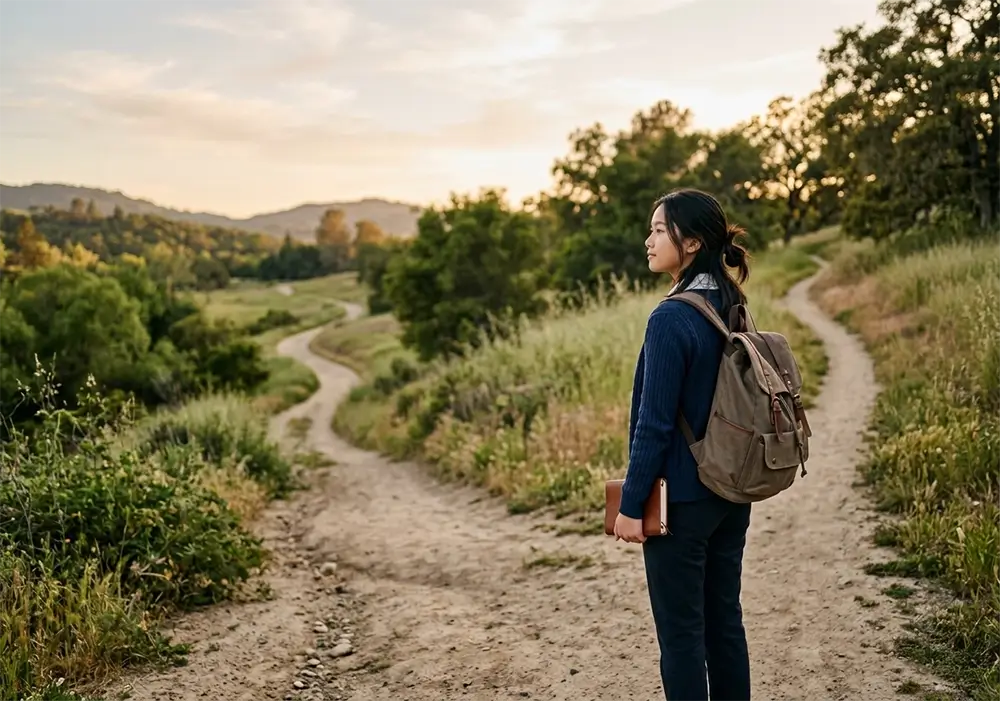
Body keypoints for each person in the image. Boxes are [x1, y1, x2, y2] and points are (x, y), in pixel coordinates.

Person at [612, 187, 753, 701]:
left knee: (681, 638)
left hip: (682, 502)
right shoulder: (730, 300)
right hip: (730, 493)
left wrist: (630, 505)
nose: (647, 240)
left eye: (657, 229)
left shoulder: (671, 317)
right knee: (724, 625)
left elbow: (654, 426)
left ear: (690, 242)